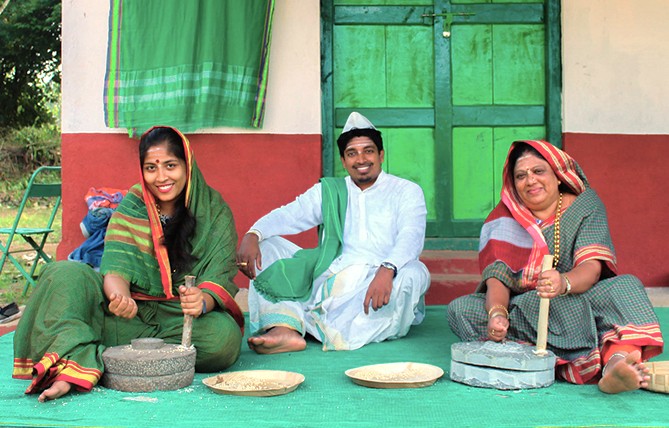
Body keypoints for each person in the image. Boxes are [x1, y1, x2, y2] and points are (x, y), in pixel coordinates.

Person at [13, 126, 244, 402]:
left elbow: (220, 270)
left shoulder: (214, 210)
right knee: (63, 274)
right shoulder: (133, 206)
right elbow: (116, 268)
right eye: (151, 168)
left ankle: (94, 351)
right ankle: (75, 364)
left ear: (187, 165)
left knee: (223, 339)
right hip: (128, 318)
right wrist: (119, 296)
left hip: (181, 319)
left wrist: (203, 300)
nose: (161, 177)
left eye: (170, 166)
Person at [447, 139, 664, 394]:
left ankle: (615, 364)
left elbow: (592, 267)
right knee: (460, 309)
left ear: (558, 176)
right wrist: (497, 314)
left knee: (625, 286)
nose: (530, 181)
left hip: (580, 297)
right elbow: (498, 279)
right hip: (527, 310)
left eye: (538, 171)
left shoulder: (585, 205)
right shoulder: (502, 219)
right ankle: (548, 358)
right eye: (520, 176)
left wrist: (563, 283)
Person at [236, 112, 430, 353]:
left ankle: (324, 326)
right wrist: (253, 233)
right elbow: (291, 214)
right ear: (343, 160)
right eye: (352, 153)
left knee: (415, 273)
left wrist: (388, 269)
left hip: (379, 281)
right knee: (266, 247)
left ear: (381, 155)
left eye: (368, 151)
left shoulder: (406, 191)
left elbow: (411, 237)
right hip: (332, 276)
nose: (361, 159)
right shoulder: (329, 191)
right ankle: (285, 328)